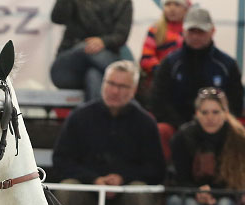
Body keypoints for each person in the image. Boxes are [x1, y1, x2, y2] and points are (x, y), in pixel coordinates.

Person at [52, 60, 165, 205]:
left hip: (126, 203)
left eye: (123, 86)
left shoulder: (145, 122)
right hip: (88, 198)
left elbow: (156, 170)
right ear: (102, 84)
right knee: (67, 188)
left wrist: (123, 178)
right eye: (111, 83)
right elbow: (61, 162)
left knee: (141, 192)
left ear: (133, 90)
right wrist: (93, 180)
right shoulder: (80, 117)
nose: (115, 90)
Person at [150, 6, 243, 153]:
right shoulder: (170, 63)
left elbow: (235, 102)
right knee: (162, 130)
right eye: (191, 31)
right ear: (184, 31)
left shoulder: (227, 65)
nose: (195, 36)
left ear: (212, 31)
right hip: (178, 125)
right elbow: (158, 101)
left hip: (218, 124)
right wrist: (184, 126)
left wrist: (213, 122)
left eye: (201, 32)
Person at [49, 0, 134, 103]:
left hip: (102, 63)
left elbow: (121, 35)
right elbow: (58, 18)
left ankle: (97, 118)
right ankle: (127, 79)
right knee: (84, 48)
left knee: (93, 76)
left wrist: (103, 42)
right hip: (68, 67)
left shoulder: (123, 2)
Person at [138, 0, 187, 99]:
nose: (172, 8)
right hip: (159, 81)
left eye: (177, 4)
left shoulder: (192, 32)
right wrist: (163, 71)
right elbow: (146, 59)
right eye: (168, 4)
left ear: (186, 9)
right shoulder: (155, 30)